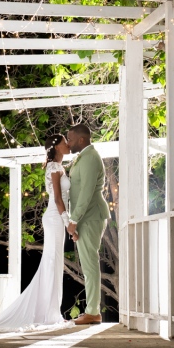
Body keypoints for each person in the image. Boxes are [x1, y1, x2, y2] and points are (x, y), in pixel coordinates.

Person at [0, 134, 74, 332]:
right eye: (64, 142)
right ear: (56, 147)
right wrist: (68, 222)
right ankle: (49, 314)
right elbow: (58, 199)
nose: (68, 144)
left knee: (54, 263)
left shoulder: (61, 167)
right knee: (51, 262)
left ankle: (51, 311)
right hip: (55, 217)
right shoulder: (53, 167)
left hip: (57, 217)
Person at [65, 124, 111, 325]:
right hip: (86, 217)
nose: (68, 143)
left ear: (81, 140)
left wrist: (73, 220)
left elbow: (86, 192)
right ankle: (91, 310)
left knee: (90, 264)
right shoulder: (83, 157)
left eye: (71, 139)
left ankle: (93, 311)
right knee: (87, 264)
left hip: (90, 216)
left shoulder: (91, 157)